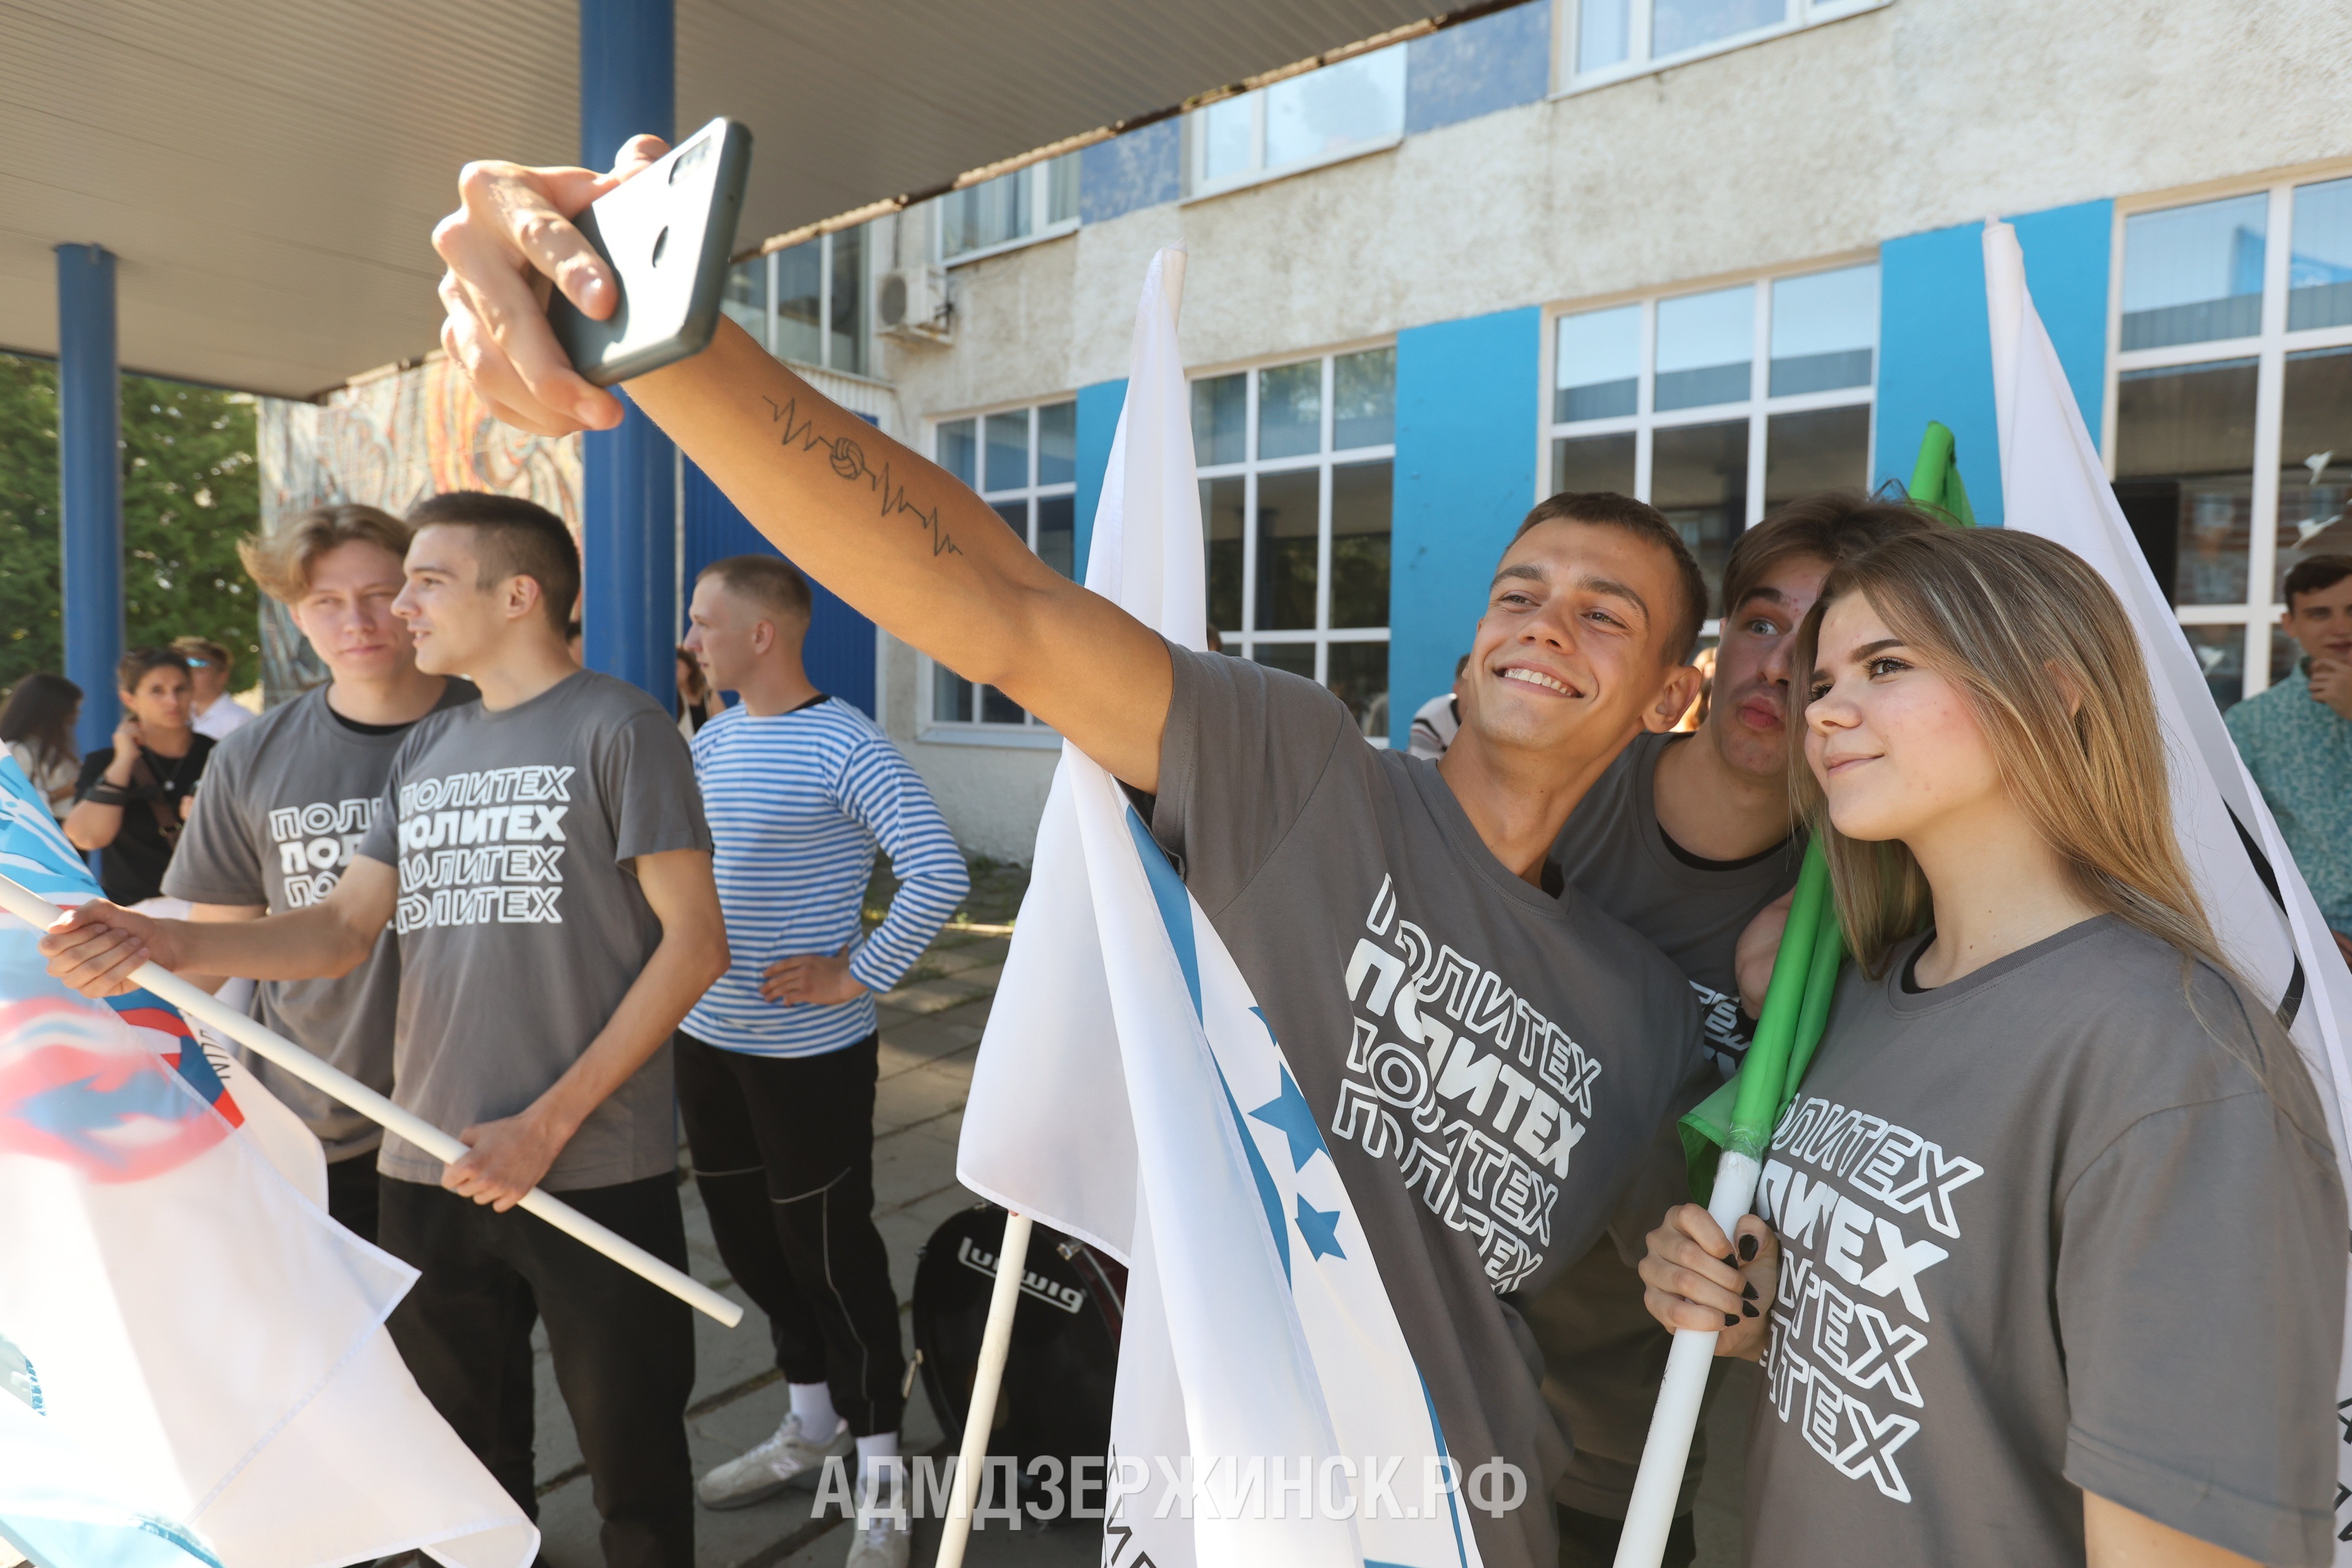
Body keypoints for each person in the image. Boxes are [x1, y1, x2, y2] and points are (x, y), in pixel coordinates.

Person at [409, 139, 1724, 1568]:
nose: (1545, 620)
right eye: (1521, 589)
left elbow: (1647, 1299)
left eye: (1607, 615)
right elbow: (1001, 598)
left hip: (1480, 1522)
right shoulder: (1302, 779)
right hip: (1222, 1514)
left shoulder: (1649, 1010)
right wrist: (672, 348)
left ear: (1672, 698)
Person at [41, 492, 728, 1568]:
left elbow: (695, 947)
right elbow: (338, 931)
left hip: (587, 1164)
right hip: (426, 1167)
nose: (399, 605)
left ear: (516, 595)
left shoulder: (622, 727)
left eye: (423, 580)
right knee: (459, 1469)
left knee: (632, 1464)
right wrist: (160, 942)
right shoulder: (435, 746)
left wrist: (543, 1128)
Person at [1639, 528, 2344, 1568]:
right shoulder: (1871, 995)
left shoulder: (2180, 1065)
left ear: (2054, 692)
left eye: (1884, 667)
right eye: (1821, 678)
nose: (1820, 709)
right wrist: (1756, 1309)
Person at [1525, 493, 1940, 1566]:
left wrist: (1794, 1012)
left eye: (1836, 645)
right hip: (1423, 1370)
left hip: (1620, 1443)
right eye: (1760, 622)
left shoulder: (1869, 915)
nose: (1780, 669)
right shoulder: (1555, 798)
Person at [673, 556, 969, 1539]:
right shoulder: (713, 739)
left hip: (808, 1057)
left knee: (832, 1259)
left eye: (704, 621)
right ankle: (811, 1426)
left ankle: (882, 1477)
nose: (691, 639)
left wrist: (859, 970)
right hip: (707, 1040)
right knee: (754, 1247)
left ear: (763, 633)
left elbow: (936, 869)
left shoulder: (846, 745)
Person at [160, 504, 480, 1242]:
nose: (358, 621)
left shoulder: (509, 730)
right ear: (295, 614)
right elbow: (213, 948)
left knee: (479, 1359)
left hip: (485, 1115)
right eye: (326, 602)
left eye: (378, 594)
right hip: (321, 1120)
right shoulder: (249, 757)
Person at [2224, 553, 2352, 965]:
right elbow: (2234, 843)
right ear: (2290, 624)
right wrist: (2293, 931)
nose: (2340, 628)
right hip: (2317, 950)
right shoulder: (2251, 722)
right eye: (2319, 613)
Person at [65, 648, 213, 906]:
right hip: (135, 913)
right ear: (130, 699)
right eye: (157, 691)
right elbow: (87, 837)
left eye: (181, 689)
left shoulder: (219, 756)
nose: (172, 701)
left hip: (210, 909)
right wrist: (124, 761)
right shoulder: (106, 762)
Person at [1, 672, 84, 821]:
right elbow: (9, 805)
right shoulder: (17, 751)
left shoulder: (47, 749)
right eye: (72, 709)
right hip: (45, 834)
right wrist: (64, 792)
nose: (77, 714)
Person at [174, 635, 254, 741]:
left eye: (198, 671)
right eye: (184, 671)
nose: (188, 678)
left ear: (222, 676)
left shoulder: (240, 721)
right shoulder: (180, 717)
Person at [1408, 654, 1470, 759]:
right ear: (1457, 690)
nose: (1485, 692)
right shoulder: (1430, 720)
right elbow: (1423, 773)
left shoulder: (1499, 720)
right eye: (1474, 685)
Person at [675, 643, 726, 735]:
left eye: (677, 667)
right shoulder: (672, 697)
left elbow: (723, 726)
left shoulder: (708, 695)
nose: (674, 672)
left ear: (689, 668)